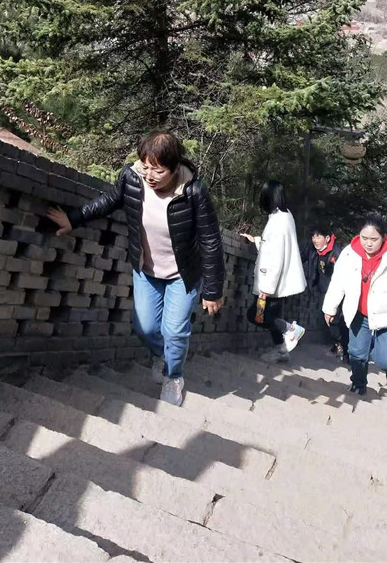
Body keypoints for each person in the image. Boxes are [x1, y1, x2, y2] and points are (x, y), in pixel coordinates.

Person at [47, 131, 225, 407]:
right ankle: (162, 356)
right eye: (145, 166)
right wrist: (74, 219)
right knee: (144, 327)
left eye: (158, 170)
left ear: (175, 168)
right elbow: (108, 201)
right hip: (146, 269)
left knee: (174, 331)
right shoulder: (131, 178)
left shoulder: (193, 191)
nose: (150, 175)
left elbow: (210, 239)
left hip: (183, 273)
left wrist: (213, 289)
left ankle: (174, 376)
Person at [322, 212, 387, 396]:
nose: (368, 243)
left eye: (374, 239)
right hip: (359, 312)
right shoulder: (349, 254)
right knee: (356, 353)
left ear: (383, 237)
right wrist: (330, 307)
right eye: (364, 238)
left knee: (385, 360)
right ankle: (358, 383)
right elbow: (338, 282)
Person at [240, 180, 307, 363]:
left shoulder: (278, 221)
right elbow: (273, 247)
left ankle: (290, 329)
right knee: (271, 316)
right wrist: (256, 240)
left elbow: (275, 257)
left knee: (256, 315)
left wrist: (266, 289)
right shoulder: (285, 216)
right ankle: (281, 350)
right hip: (278, 280)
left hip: (272, 281)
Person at [304, 222, 347, 360]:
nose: (315, 240)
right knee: (328, 320)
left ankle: (344, 347)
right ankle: (339, 345)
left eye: (318, 237)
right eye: (313, 237)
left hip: (338, 293)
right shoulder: (313, 250)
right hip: (323, 290)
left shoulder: (337, 252)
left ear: (327, 238)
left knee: (335, 320)